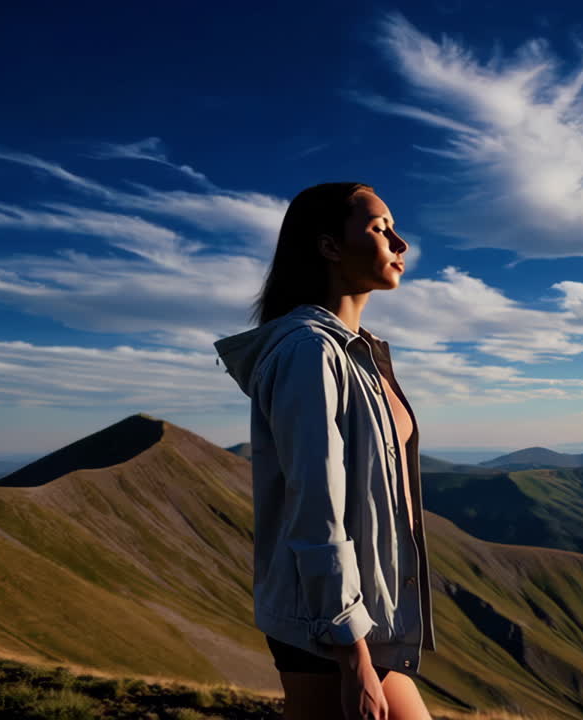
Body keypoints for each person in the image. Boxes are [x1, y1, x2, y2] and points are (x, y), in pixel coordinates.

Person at [213, 183, 436, 720]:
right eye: (381, 229)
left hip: (354, 622)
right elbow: (315, 508)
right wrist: (353, 655)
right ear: (330, 247)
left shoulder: (354, 353)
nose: (401, 243)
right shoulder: (310, 352)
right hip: (330, 630)